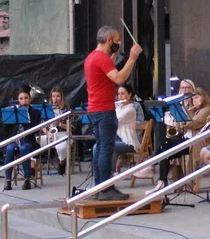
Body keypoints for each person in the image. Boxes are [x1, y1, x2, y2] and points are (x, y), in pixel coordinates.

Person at [84, 25, 142, 202]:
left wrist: (115, 57)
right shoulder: (101, 58)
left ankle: (99, 186)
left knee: (100, 147)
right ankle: (105, 188)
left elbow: (107, 73)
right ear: (109, 40)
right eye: (117, 40)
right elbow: (119, 78)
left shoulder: (92, 57)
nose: (119, 43)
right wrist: (132, 58)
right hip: (104, 110)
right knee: (106, 149)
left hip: (95, 108)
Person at [148, 86, 210, 195]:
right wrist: (175, 122)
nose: (194, 100)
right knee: (165, 145)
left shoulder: (206, 110)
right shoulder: (194, 110)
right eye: (193, 98)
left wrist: (180, 117)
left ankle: (152, 165)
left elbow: (193, 124)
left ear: (204, 98)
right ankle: (162, 180)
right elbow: (181, 128)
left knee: (166, 147)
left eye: (197, 97)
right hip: (188, 140)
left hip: (196, 142)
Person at [3, 85, 43, 191]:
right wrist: (8, 119)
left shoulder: (36, 113)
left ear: (29, 99)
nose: (24, 101)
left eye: (26, 98)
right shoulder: (13, 111)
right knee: (10, 148)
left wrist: (24, 117)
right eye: (21, 98)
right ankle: (8, 180)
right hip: (15, 141)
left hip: (28, 141)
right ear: (18, 100)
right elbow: (7, 131)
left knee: (24, 148)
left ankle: (27, 179)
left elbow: (34, 129)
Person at [111, 83, 146, 174]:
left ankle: (111, 173)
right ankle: (110, 172)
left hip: (130, 139)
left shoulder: (132, 108)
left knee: (108, 147)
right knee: (102, 145)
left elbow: (114, 121)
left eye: (122, 94)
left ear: (130, 94)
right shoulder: (118, 107)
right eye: (118, 94)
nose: (120, 97)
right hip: (119, 137)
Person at [48, 87, 73, 176]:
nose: (55, 99)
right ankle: (32, 168)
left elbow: (71, 127)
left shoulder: (67, 110)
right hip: (51, 134)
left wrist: (59, 124)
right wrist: (47, 133)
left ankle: (62, 162)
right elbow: (41, 124)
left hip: (64, 133)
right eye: (53, 96)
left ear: (62, 97)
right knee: (35, 142)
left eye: (58, 96)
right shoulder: (48, 109)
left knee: (61, 147)